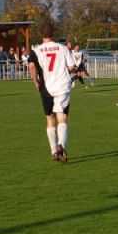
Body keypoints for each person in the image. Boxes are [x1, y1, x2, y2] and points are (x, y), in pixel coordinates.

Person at [28, 24, 76, 163]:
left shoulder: (36, 51)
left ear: (41, 35)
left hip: (46, 88)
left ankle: (54, 151)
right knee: (62, 118)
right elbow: (72, 66)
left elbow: (31, 66)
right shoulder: (62, 48)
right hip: (62, 86)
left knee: (50, 119)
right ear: (53, 34)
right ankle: (61, 144)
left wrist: (35, 82)